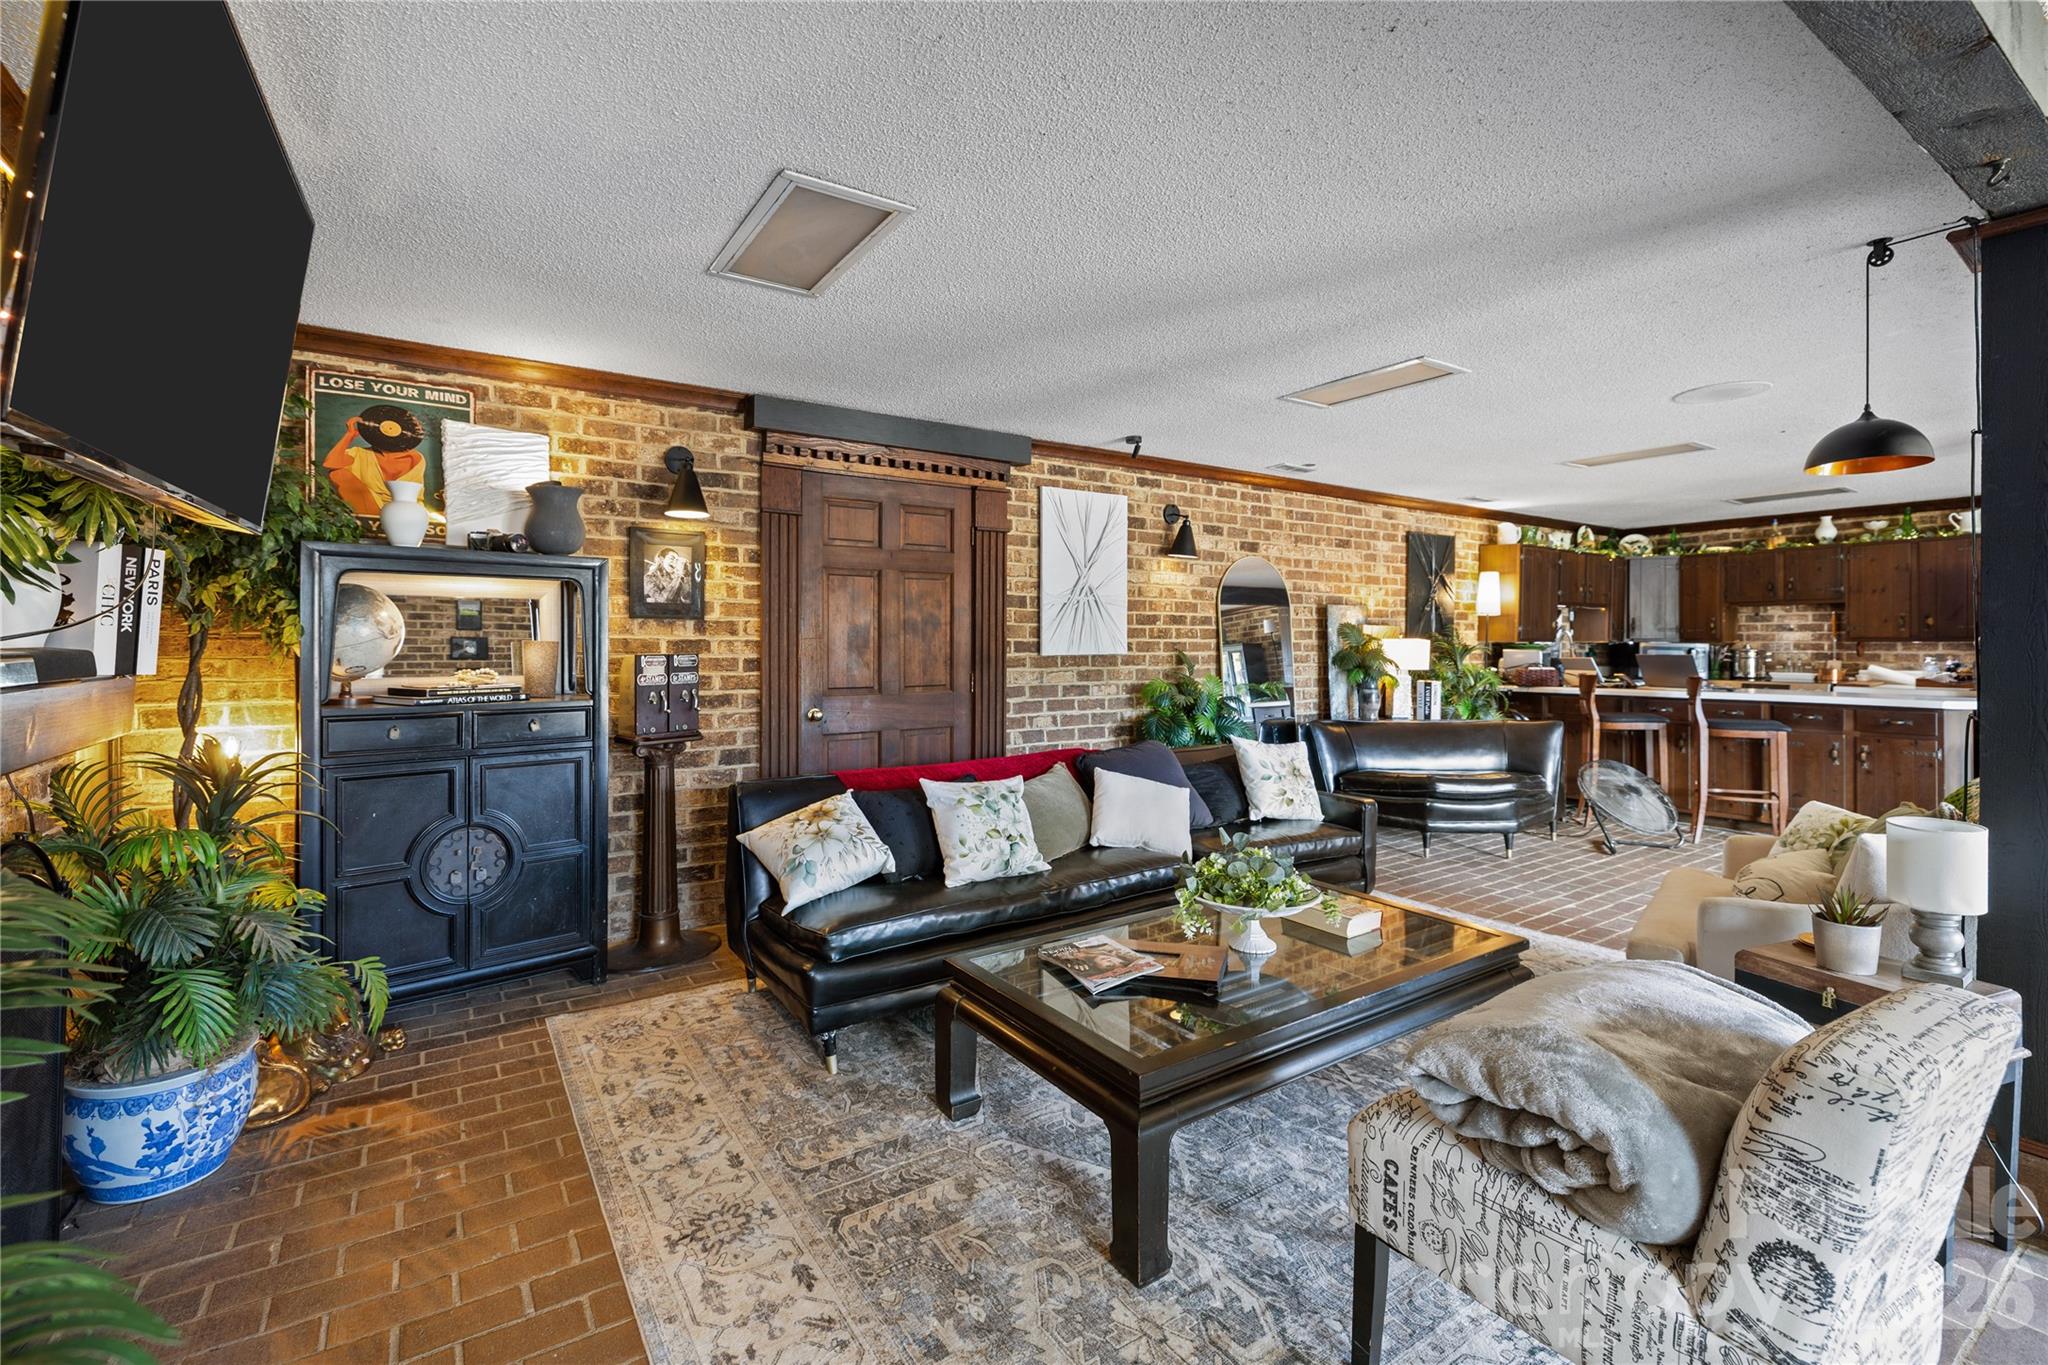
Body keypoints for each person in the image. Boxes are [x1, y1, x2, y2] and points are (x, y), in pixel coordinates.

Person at [324, 404, 428, 516]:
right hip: (371, 505)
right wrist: (349, 435)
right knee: (338, 473)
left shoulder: (415, 458)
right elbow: (330, 463)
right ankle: (371, 518)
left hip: (405, 511)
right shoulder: (360, 454)